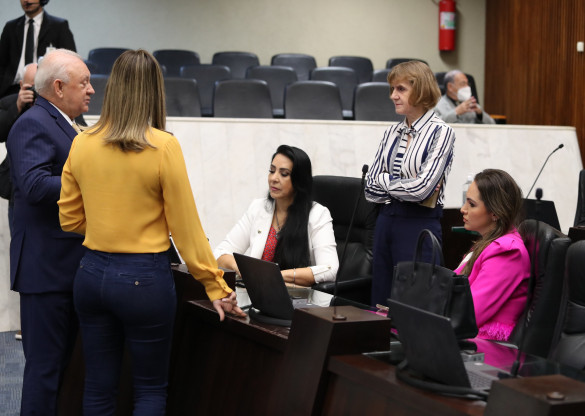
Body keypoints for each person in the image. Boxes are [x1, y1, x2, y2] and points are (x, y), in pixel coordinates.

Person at [58, 49, 245, 416]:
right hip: (144, 280)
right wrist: (215, 286)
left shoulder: (82, 141)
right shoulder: (163, 145)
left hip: (91, 275)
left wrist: (108, 226)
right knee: (148, 390)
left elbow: (69, 218)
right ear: (154, 91)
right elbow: (186, 228)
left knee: (98, 388)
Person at [6, 49, 93, 416]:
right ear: (58, 87)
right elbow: (35, 185)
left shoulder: (69, 124)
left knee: (63, 372)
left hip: (67, 268)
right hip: (46, 271)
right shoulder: (33, 123)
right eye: (83, 83)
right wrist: (96, 181)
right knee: (44, 373)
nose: (91, 90)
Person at [365, 61, 456, 307]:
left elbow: (421, 191)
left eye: (401, 89)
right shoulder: (391, 132)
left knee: (414, 306)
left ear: (421, 90)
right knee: (380, 304)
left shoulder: (441, 132)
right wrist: (404, 184)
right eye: (392, 89)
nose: (393, 96)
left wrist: (385, 181)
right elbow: (370, 188)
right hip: (385, 221)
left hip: (419, 225)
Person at [214, 145, 339, 286]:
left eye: (284, 174)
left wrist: (274, 275)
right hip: (257, 291)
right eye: (272, 171)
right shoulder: (258, 208)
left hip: (298, 295)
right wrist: (243, 269)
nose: (273, 178)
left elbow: (330, 269)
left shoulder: (318, 214)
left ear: (299, 180)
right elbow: (220, 252)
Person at [455, 169, 530, 341]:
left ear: (495, 212)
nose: (462, 209)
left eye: (471, 204)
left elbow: (470, 313)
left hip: (487, 345)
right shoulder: (488, 244)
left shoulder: (507, 251)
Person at [0, 0, 76, 97]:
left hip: (47, 88)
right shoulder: (10, 27)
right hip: (13, 88)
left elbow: (71, 61)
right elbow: (1, 61)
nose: (26, 1)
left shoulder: (59, 26)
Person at [0, 62, 36, 234]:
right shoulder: (8, 103)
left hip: (46, 184)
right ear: (21, 85)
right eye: (31, 87)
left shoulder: (58, 103)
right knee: (18, 239)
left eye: (38, 87)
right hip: (16, 187)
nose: (35, 92)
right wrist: (17, 106)